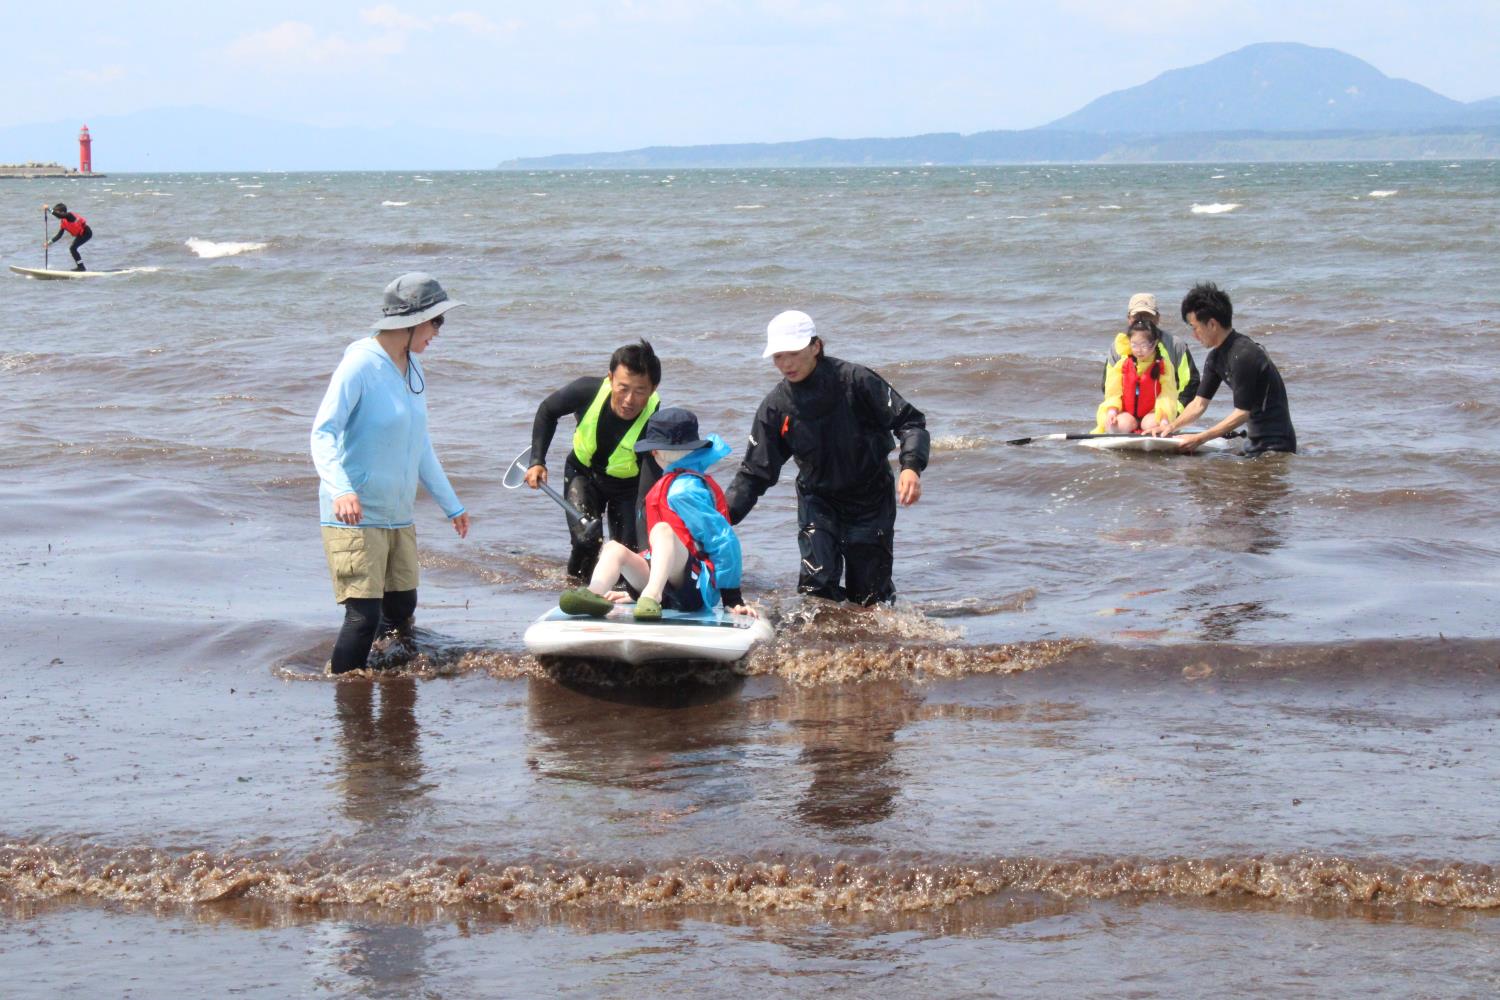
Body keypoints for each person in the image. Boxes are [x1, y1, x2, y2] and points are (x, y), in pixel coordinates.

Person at [310, 273, 471, 675]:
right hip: (356, 515)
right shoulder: (359, 364)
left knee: (401, 608)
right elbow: (322, 433)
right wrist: (341, 489)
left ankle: (390, 680)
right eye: (436, 322)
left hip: (398, 515)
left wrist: (452, 505)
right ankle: (345, 694)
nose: (438, 331)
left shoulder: (413, 367)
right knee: (364, 617)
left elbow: (420, 446)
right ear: (412, 320)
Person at [726, 310, 929, 605]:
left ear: (816, 346)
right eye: (778, 357)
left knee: (870, 597)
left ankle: (871, 650)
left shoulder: (857, 381)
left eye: (793, 353)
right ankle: (818, 648)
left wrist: (910, 467)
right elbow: (755, 472)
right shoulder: (776, 406)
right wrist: (721, 518)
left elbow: (911, 423)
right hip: (817, 501)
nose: (786, 364)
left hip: (870, 498)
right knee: (816, 587)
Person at [558, 407, 755, 621]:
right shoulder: (668, 485)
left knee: (662, 531)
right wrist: (633, 590)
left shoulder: (685, 489)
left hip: (694, 589)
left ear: (655, 452)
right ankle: (595, 594)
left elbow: (722, 540)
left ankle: (651, 595)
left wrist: (732, 598)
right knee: (614, 548)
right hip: (665, 584)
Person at [525, 341, 662, 580]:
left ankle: (617, 596)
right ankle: (574, 589)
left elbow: (648, 488)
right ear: (610, 378)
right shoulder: (586, 390)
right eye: (623, 388)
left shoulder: (657, 422)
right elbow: (547, 411)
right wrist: (537, 460)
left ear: (653, 389)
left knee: (627, 556)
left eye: (640, 391)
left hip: (628, 487)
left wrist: (644, 545)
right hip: (583, 474)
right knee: (586, 539)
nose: (629, 400)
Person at [1151, 282, 1297, 456]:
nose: (1194, 335)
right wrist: (1170, 428)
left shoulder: (1244, 354)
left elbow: (1242, 414)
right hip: (1253, 444)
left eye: (1195, 327)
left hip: (1277, 448)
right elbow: (1198, 404)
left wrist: (1200, 438)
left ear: (1212, 324)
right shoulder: (1215, 357)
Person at [1104, 293, 1199, 406]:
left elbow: (1190, 383)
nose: (1142, 321)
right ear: (1129, 318)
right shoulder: (1117, 347)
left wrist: (1173, 412)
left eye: (1147, 316)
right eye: (1137, 316)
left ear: (1157, 318)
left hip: (1167, 413)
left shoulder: (1175, 345)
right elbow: (1109, 387)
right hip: (1128, 413)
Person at [1094, 316, 1181, 433]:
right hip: (1127, 415)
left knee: (1152, 425)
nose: (1139, 350)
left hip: (1152, 414)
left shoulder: (1164, 365)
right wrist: (1112, 412)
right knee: (1114, 427)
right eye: (1134, 345)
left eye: (1144, 345)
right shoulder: (1122, 364)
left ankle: (1153, 429)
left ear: (1154, 343)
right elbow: (1113, 392)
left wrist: (1164, 420)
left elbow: (1168, 395)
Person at [46, 203, 92, 272]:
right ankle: (81, 267)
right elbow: (59, 236)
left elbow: (59, 215)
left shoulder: (69, 215)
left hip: (86, 233)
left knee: (73, 248)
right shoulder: (63, 222)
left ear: (63, 212)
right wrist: (48, 243)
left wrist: (49, 209)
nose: (56, 215)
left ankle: (81, 267)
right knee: (73, 248)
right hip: (81, 235)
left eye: (57, 212)